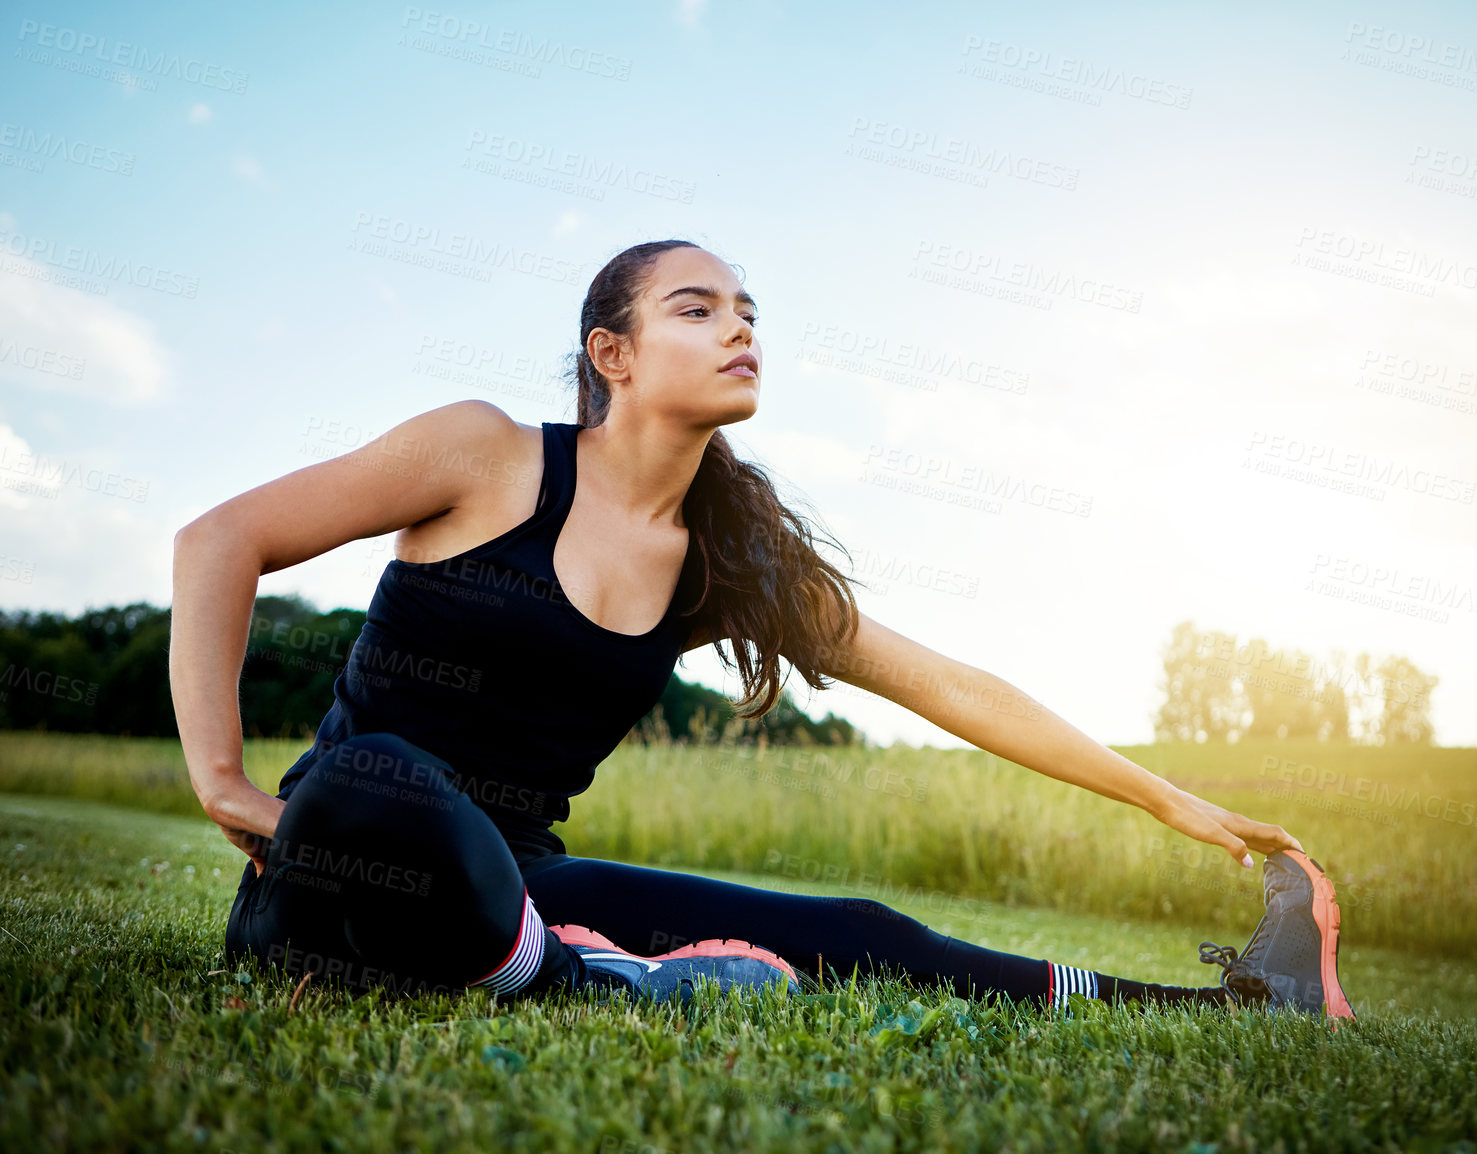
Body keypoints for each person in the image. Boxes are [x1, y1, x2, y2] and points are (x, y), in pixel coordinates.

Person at [169, 239, 1354, 1019]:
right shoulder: (482, 453)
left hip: (525, 885)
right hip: (340, 855)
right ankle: (580, 976)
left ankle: (1237, 1005)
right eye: (698, 308)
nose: (740, 327)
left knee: (858, 929)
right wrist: (224, 780)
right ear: (612, 354)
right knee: (381, 773)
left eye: (748, 311)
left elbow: (944, 682)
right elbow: (220, 539)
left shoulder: (724, 559)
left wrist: (1167, 799)